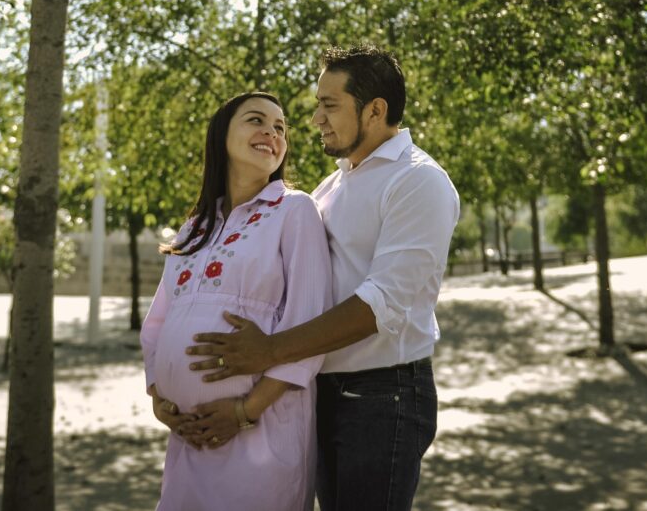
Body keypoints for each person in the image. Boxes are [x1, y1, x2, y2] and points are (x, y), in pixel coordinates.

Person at [186, 46, 460, 511]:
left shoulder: (418, 181)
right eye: (317, 104)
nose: (315, 118)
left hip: (384, 398)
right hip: (322, 395)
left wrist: (269, 351)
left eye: (329, 105)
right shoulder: (329, 188)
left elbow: (381, 305)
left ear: (375, 110)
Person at [140, 91, 333, 511]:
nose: (272, 132)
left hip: (260, 432)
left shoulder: (294, 211)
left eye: (281, 127)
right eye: (256, 120)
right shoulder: (193, 228)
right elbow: (158, 323)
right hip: (188, 438)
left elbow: (309, 326)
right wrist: (160, 399)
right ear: (221, 135)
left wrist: (245, 410)